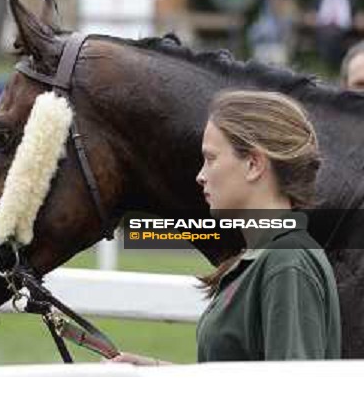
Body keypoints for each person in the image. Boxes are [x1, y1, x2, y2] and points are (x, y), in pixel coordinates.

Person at [110, 90, 341, 365]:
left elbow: (289, 400)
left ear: (254, 164)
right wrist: (158, 373)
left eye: (211, 158)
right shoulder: (266, 256)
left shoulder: (287, 261)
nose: (200, 176)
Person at [307, 0, 357, 71]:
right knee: (328, 33)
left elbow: (358, 15)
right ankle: (334, 66)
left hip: (346, 30)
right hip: (322, 29)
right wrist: (310, 18)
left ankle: (329, 66)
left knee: (332, 35)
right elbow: (310, 14)